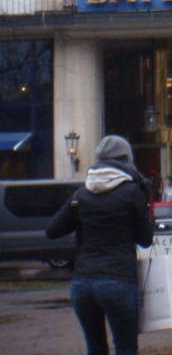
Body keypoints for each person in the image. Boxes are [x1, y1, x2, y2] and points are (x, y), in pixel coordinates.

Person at [46, 135, 154, 355]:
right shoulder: (132, 192)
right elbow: (145, 239)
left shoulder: (81, 194)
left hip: (82, 283)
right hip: (118, 279)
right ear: (127, 160)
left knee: (95, 348)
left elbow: (52, 230)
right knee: (125, 347)